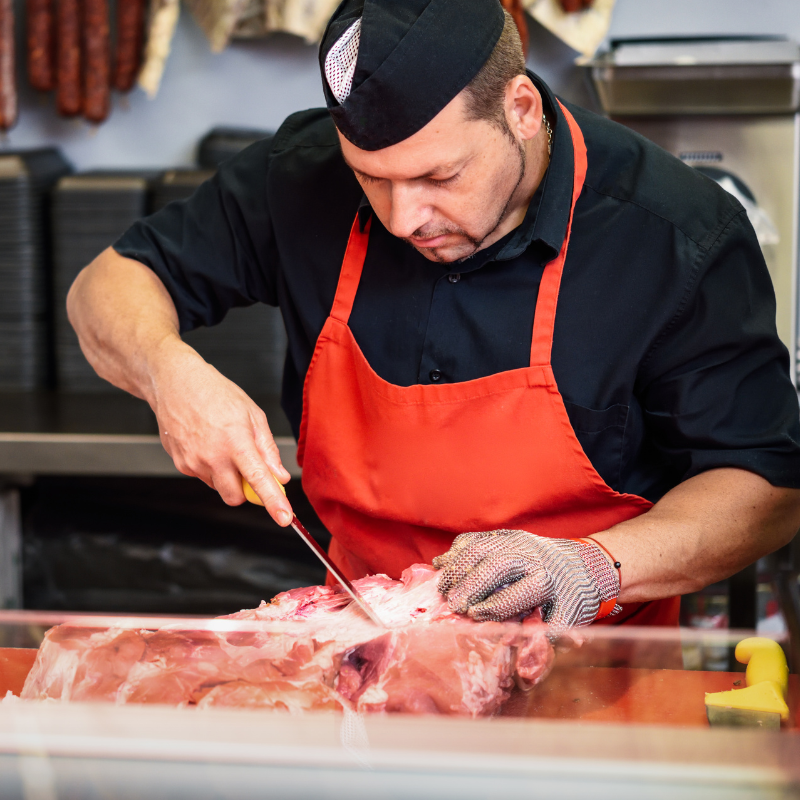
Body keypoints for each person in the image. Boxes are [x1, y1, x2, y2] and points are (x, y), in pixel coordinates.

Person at [67, 0, 800, 629]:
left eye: (438, 176)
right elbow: (107, 286)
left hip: (599, 670)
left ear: (520, 110)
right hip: (368, 656)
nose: (404, 217)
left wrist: (592, 569)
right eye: (371, 180)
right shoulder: (302, 176)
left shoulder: (672, 233)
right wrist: (170, 374)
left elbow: (766, 486)